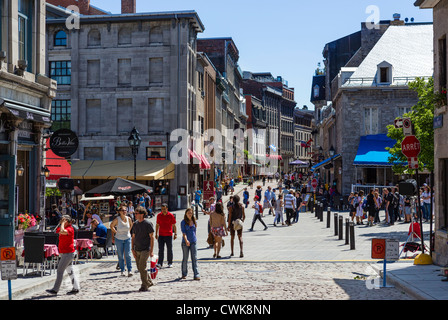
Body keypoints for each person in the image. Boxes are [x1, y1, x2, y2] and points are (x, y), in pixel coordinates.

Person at [46, 215, 80, 295]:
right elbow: (57, 231)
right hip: (65, 253)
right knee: (70, 271)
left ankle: (55, 289)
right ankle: (76, 287)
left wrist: (63, 223)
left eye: (63, 221)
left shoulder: (70, 229)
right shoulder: (64, 227)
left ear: (67, 222)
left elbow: (62, 231)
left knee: (60, 271)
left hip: (68, 253)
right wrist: (61, 223)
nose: (61, 222)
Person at [131, 206, 155, 292]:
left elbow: (152, 238)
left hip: (145, 249)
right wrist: (132, 248)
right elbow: (133, 237)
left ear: (142, 214)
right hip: (137, 248)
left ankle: (144, 285)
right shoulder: (135, 224)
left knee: (142, 267)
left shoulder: (148, 224)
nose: (135, 215)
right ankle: (148, 281)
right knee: (140, 267)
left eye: (136, 213)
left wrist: (151, 250)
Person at [110, 204, 134, 277]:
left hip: (127, 238)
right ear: (119, 212)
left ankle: (129, 270)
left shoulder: (128, 218)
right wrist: (116, 232)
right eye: (123, 210)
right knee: (120, 255)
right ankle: (122, 270)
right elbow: (111, 226)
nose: (124, 212)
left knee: (128, 254)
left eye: (125, 210)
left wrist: (128, 232)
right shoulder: (117, 219)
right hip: (119, 239)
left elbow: (131, 226)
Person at [155, 203, 177, 268]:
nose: (163, 210)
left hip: (169, 235)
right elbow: (157, 225)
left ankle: (170, 262)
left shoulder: (170, 215)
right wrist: (156, 234)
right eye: (162, 209)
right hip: (161, 235)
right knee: (160, 249)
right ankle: (160, 263)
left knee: (169, 249)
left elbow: (174, 225)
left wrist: (175, 233)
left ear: (167, 208)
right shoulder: (159, 215)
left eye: (164, 209)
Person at [180, 208, 200, 280]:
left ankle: (196, 274)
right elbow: (184, 233)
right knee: (185, 258)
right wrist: (186, 240)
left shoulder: (194, 221)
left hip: (193, 241)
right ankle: (184, 273)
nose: (190, 214)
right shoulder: (183, 222)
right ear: (186, 214)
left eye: (191, 213)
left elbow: (195, 231)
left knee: (194, 258)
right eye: (188, 213)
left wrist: (194, 238)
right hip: (185, 243)